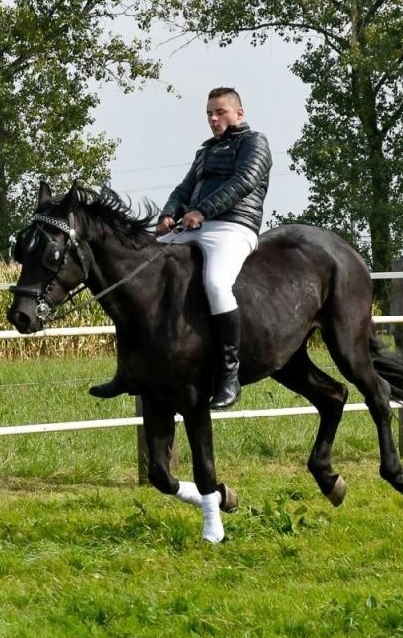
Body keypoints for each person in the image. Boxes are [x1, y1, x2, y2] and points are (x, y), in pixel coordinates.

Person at [89, 86, 272, 409]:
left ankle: (230, 373)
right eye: (209, 114)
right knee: (139, 274)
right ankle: (128, 369)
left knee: (217, 284)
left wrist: (202, 211)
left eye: (220, 112)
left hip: (233, 227)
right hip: (193, 225)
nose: (213, 119)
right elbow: (185, 187)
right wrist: (168, 213)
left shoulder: (255, 143)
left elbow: (243, 182)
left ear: (239, 113)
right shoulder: (204, 151)